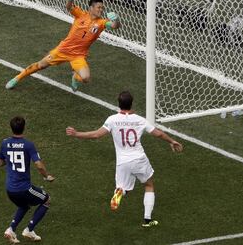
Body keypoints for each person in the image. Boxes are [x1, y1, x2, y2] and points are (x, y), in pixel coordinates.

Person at [66, 91, 183, 227]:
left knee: (122, 187)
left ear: (119, 103)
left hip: (123, 162)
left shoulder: (112, 120)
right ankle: (147, 219)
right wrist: (172, 141)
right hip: (139, 158)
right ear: (131, 103)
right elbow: (159, 134)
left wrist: (76, 134)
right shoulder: (140, 120)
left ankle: (120, 191)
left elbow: (96, 135)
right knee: (149, 185)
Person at [5, 0, 121, 92]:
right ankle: (17, 78)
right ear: (91, 8)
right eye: (99, 7)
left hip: (78, 55)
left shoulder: (101, 23)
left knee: (85, 78)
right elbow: (69, 7)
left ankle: (76, 76)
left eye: (102, 7)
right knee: (41, 65)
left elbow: (115, 26)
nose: (101, 10)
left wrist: (116, 20)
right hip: (63, 50)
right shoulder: (81, 14)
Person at [0, 116, 55, 243]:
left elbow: (0, 163)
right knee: (46, 200)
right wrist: (47, 176)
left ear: (11, 128)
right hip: (23, 188)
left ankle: (11, 229)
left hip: (10, 189)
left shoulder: (4, 143)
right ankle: (29, 230)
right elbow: (39, 165)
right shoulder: (28, 145)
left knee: (23, 206)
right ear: (24, 127)